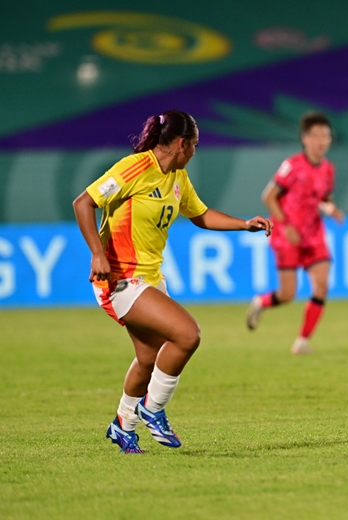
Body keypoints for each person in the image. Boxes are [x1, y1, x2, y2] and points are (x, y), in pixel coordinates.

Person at [73, 110, 272, 454]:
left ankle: (123, 424)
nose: (195, 152)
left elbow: (201, 214)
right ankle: (154, 408)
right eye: (194, 145)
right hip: (120, 278)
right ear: (181, 144)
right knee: (186, 334)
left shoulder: (177, 176)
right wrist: (96, 253)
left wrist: (244, 224)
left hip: (149, 278)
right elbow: (84, 202)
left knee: (148, 358)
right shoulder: (134, 167)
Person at [245, 111, 343, 355]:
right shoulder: (292, 166)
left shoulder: (328, 169)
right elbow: (269, 197)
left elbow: (323, 198)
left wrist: (331, 209)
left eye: (326, 136)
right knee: (288, 294)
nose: (322, 141)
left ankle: (302, 341)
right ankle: (261, 302)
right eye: (316, 135)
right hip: (286, 235)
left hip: (313, 234)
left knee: (321, 285)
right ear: (305, 138)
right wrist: (286, 226)